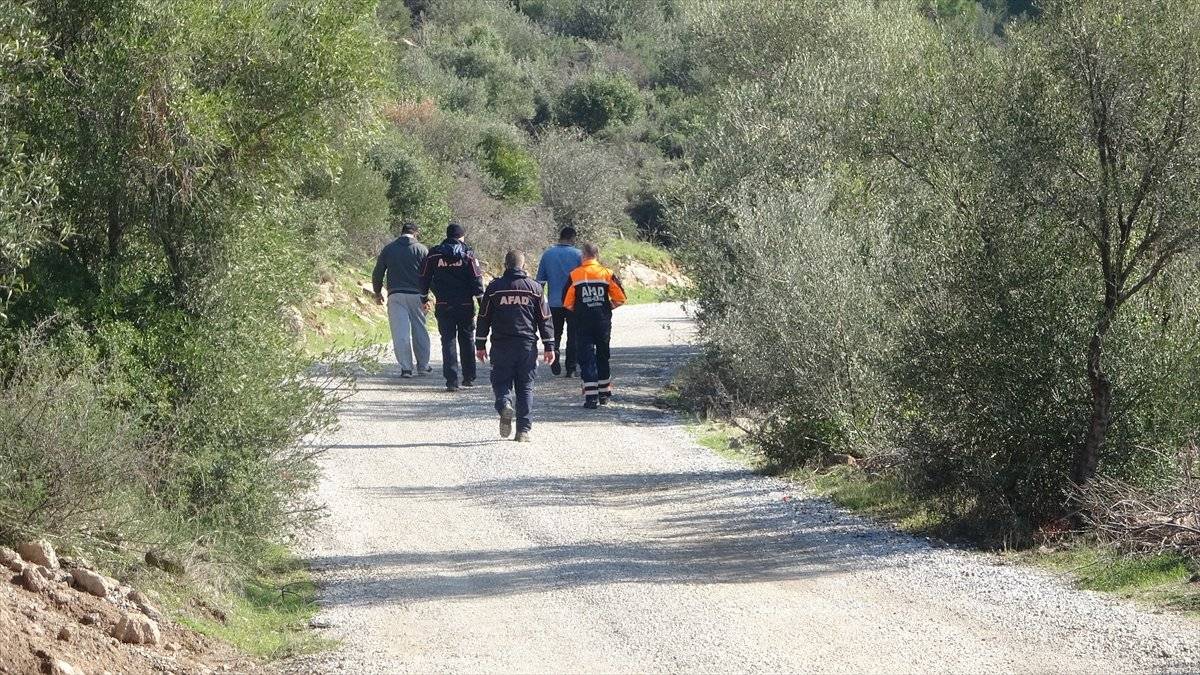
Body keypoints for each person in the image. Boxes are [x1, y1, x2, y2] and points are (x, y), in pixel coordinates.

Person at [475, 250, 556, 442]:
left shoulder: (494, 288)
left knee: (501, 382)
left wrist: (480, 343)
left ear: (505, 265)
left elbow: (483, 317)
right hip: (526, 345)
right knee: (526, 386)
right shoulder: (535, 288)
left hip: (501, 345)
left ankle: (504, 405)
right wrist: (549, 345)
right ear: (523, 265)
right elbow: (545, 319)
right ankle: (523, 431)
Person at [419, 222, 485, 392]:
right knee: (467, 339)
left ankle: (451, 381)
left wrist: (424, 298)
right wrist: (481, 302)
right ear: (461, 236)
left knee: (447, 340)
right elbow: (477, 279)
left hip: (443, 303)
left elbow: (424, 277)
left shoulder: (434, 254)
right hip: (465, 304)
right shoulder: (468, 255)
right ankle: (469, 377)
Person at [563, 242, 626, 409]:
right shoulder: (607, 273)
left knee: (586, 357)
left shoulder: (575, 275)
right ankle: (604, 394)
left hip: (583, 322)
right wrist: (606, 307)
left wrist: (581, 309)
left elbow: (567, 303)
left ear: (583, 256)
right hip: (603, 321)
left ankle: (591, 398)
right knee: (603, 355)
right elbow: (620, 298)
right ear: (597, 255)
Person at [372, 222, 431, 378]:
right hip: (417, 295)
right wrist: (429, 296)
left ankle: (406, 368)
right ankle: (423, 366)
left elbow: (378, 272)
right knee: (420, 329)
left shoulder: (389, 249)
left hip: (395, 295)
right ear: (416, 233)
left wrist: (377, 292)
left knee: (400, 332)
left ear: (401, 232)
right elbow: (429, 274)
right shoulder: (422, 249)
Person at [535, 227, 583, 377]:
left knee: (555, 333)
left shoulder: (548, 254)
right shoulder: (578, 255)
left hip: (554, 302)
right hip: (574, 302)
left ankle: (554, 353)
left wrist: (538, 302)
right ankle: (571, 368)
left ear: (560, 237)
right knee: (574, 335)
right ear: (572, 238)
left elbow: (540, 282)